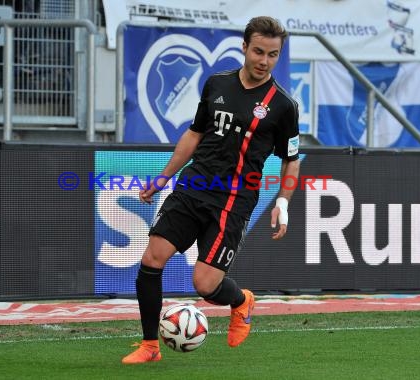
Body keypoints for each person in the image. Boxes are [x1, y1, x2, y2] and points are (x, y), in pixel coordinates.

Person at [122, 16, 300, 364]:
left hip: (233, 201)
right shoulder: (217, 83)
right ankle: (149, 346)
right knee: (151, 259)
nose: (264, 61)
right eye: (259, 52)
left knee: (204, 285)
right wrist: (163, 177)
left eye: (273, 55)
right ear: (244, 48)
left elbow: (292, 160)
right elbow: (194, 134)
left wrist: (283, 201)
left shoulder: (282, 106)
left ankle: (241, 301)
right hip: (193, 186)